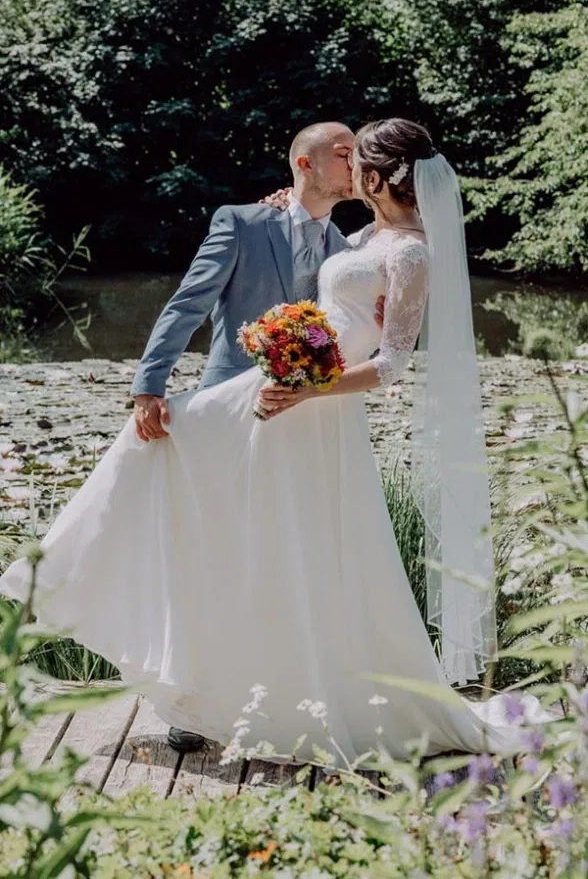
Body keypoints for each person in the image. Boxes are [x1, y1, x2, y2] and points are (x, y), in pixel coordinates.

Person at [0, 118, 557, 767]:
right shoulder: (306, 230)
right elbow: (193, 302)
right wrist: (149, 383)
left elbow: (384, 345)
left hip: (308, 414)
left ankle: (263, 697)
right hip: (245, 402)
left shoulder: (391, 245)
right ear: (304, 164)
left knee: (291, 559)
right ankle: (140, 652)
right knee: (170, 487)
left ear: (378, 177)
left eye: (359, 157)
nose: (350, 166)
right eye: (339, 154)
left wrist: (308, 388)